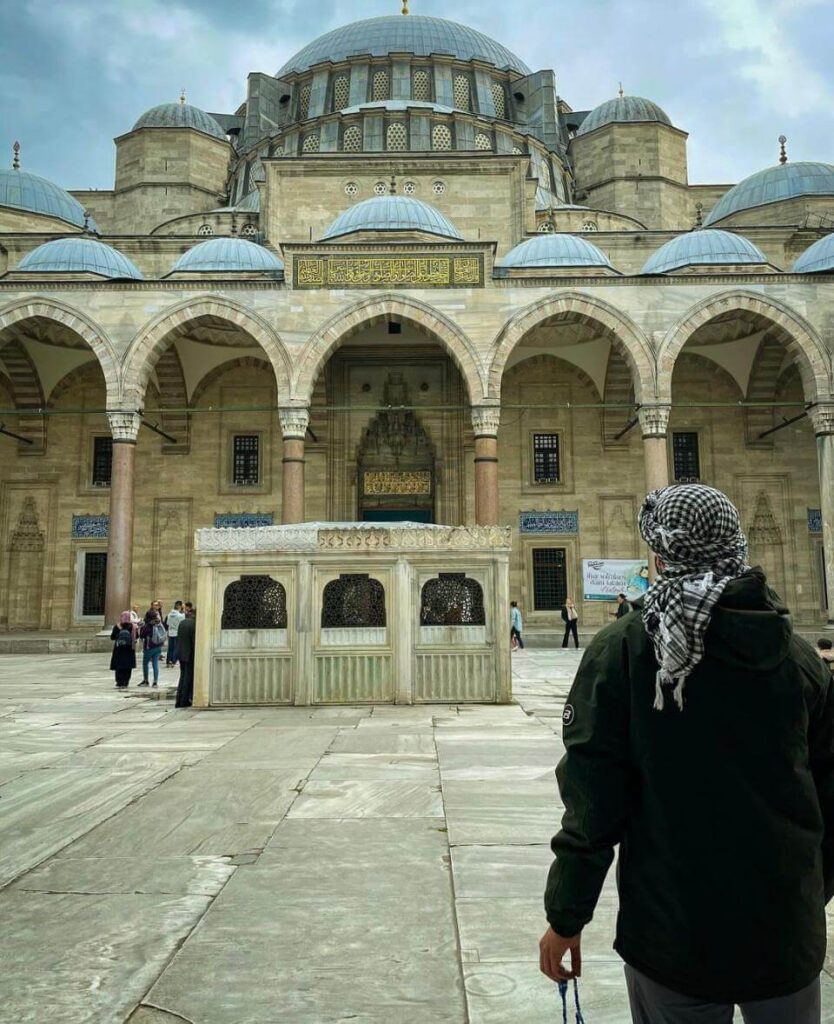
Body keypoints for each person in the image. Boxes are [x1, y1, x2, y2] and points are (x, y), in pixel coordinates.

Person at [539, 484, 833, 1024]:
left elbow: (594, 803)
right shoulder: (797, 657)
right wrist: (808, 896)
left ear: (661, 555)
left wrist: (566, 915)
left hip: (673, 933)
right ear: (735, 547)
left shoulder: (626, 651)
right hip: (784, 933)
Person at [175, 606, 196, 708]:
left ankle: (179, 700)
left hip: (182, 654)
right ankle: (184, 701)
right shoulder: (194, 624)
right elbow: (194, 642)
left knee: (182, 677)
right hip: (189, 655)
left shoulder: (183, 622)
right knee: (188, 678)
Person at [109, 611, 137, 689]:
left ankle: (119, 681)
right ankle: (126, 681)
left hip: (119, 649)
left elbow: (112, 637)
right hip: (129, 649)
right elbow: (136, 636)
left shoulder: (117, 626)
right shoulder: (133, 626)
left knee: (119, 665)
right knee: (128, 666)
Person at [138, 609, 166, 687]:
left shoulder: (147, 625)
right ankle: (155, 682)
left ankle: (146, 681)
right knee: (155, 663)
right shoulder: (159, 623)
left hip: (149, 647)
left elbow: (142, 635)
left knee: (145, 663)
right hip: (158, 646)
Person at [166, 600, 186, 667]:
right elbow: (183, 621)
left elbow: (167, 623)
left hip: (170, 632)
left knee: (170, 648)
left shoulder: (169, 615)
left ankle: (168, 661)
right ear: (180, 606)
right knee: (176, 648)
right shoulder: (180, 615)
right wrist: (183, 609)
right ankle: (173, 661)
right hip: (177, 632)